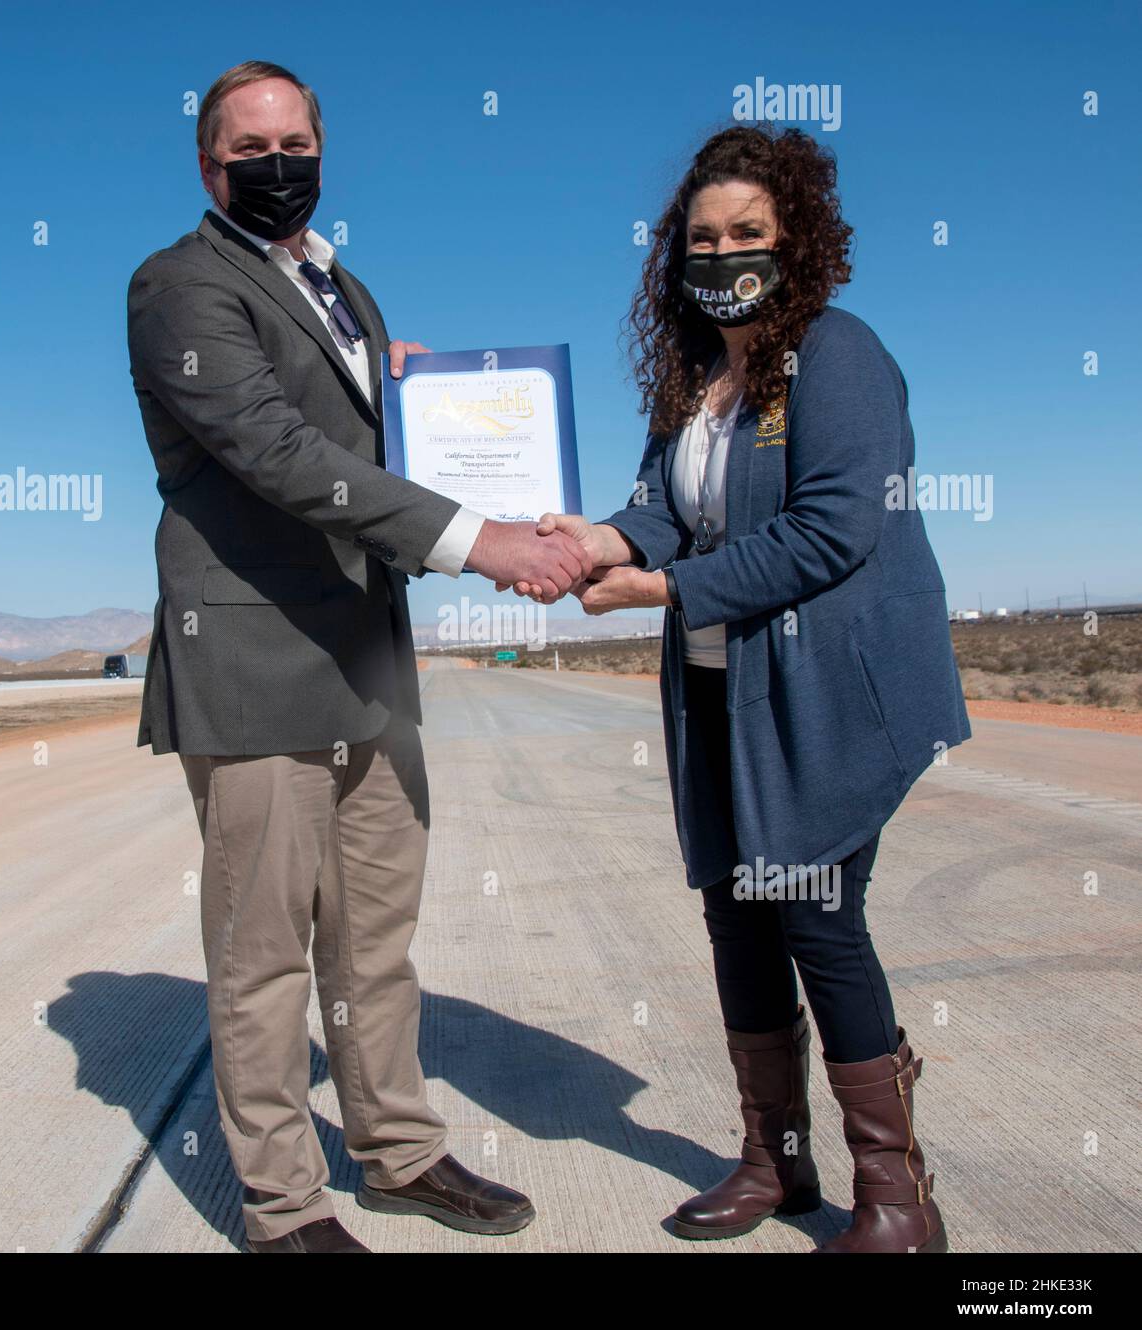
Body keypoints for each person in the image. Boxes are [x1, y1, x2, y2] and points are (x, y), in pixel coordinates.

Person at [127, 60, 590, 1253]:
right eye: (249, 149)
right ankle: (283, 1206)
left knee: (375, 938)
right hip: (255, 671)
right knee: (264, 955)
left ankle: (398, 1150)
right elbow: (278, 451)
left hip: (367, 667)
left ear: (322, 153)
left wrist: (428, 408)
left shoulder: (347, 290)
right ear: (207, 164)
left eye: (295, 144)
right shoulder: (178, 286)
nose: (275, 166)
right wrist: (480, 540)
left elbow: (357, 437)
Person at [522, 125, 970, 1253]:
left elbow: (832, 532)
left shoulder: (837, 353)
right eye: (702, 237)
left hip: (823, 692)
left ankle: (897, 1193)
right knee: (736, 918)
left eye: (746, 234)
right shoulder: (696, 382)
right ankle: (775, 1160)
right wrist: (592, 539)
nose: (721, 254)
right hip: (720, 695)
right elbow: (661, 509)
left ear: (796, 240)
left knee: (817, 916)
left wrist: (659, 588)